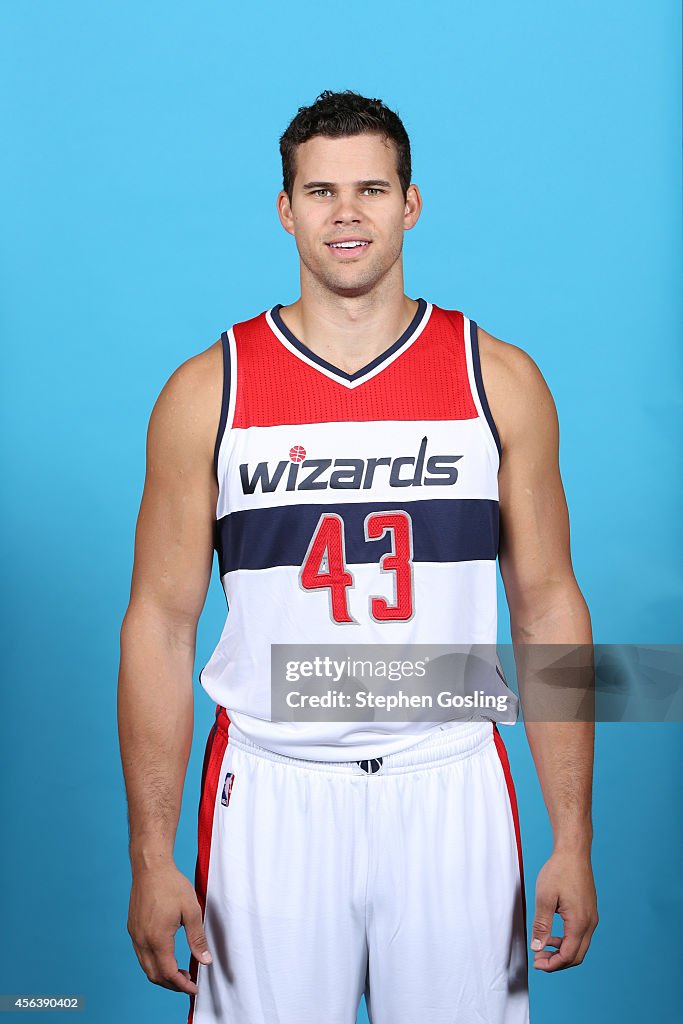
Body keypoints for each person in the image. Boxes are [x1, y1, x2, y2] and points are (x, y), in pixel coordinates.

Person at [118, 89, 598, 1024]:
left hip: (448, 774)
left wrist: (572, 836)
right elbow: (161, 628)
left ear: (409, 204)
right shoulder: (206, 390)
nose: (346, 214)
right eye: (321, 191)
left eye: (372, 189)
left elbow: (546, 606)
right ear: (285, 208)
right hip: (268, 785)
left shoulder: (495, 378)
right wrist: (150, 857)